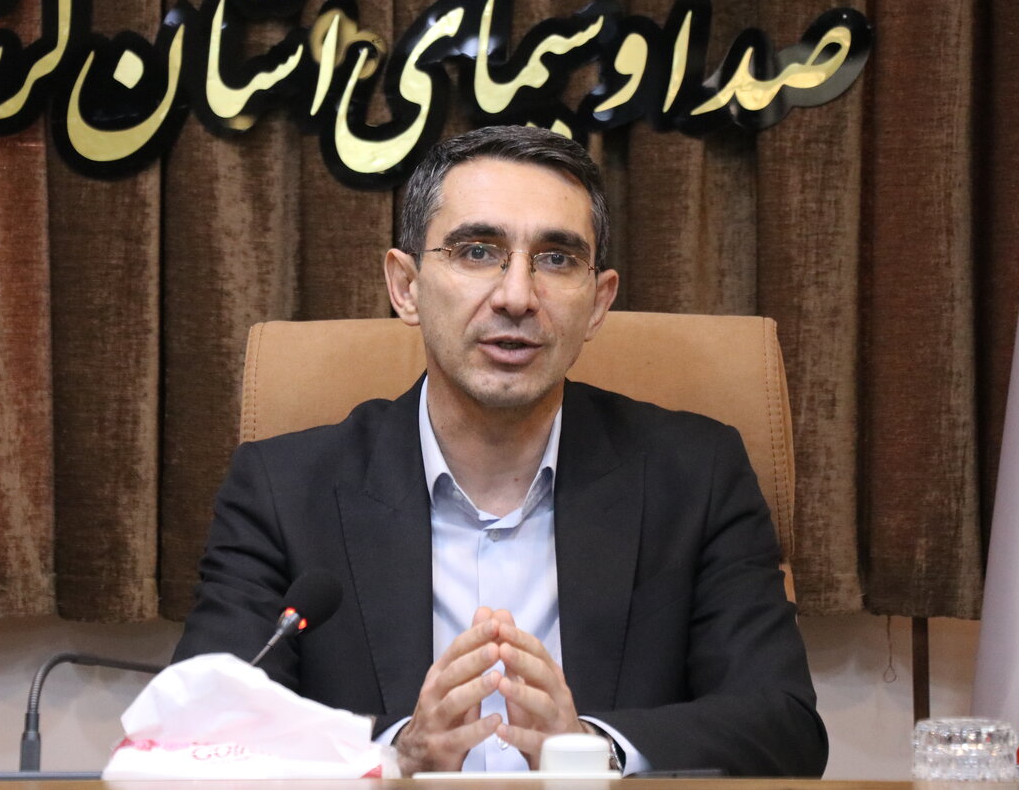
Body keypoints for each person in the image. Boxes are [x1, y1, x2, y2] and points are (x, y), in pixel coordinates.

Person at [173, 125, 828, 777]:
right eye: (478, 252)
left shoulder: (696, 477)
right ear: (406, 286)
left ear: (598, 303)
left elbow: (784, 726)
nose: (517, 296)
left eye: (557, 259)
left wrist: (591, 747)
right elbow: (201, 729)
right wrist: (395, 753)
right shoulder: (283, 492)